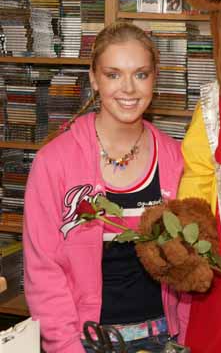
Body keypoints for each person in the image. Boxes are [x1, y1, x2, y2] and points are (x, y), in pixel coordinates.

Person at [23, 21, 190, 353]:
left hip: (164, 339)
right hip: (84, 341)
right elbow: (43, 271)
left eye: (140, 74)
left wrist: (184, 337)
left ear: (154, 79)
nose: (128, 88)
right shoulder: (53, 162)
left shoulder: (176, 159)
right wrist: (68, 348)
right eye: (113, 74)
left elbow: (188, 268)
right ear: (93, 79)